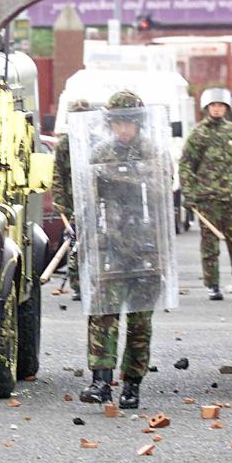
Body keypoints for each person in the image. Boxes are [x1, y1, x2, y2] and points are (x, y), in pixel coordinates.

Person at [78, 90, 162, 410]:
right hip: (110, 247)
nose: (124, 130)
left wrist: (120, 177)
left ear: (139, 125)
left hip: (146, 249)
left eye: (129, 123)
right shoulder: (100, 153)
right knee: (103, 316)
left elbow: (160, 192)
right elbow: (88, 196)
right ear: (110, 125)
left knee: (140, 322)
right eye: (118, 124)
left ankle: (132, 384)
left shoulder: (153, 153)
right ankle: (100, 381)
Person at [179, 86, 232, 316]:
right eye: (213, 105)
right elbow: (186, 165)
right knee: (210, 245)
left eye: (221, 105)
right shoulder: (199, 134)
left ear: (227, 108)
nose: (217, 109)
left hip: (231, 199)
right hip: (207, 200)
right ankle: (212, 285)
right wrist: (189, 194)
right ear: (206, 108)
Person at [51, 98, 92, 300]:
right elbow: (58, 174)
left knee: (93, 244)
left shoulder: (96, 140)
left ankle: (93, 283)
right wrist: (60, 202)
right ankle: (77, 284)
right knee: (75, 242)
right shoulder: (65, 144)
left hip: (93, 200)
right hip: (73, 200)